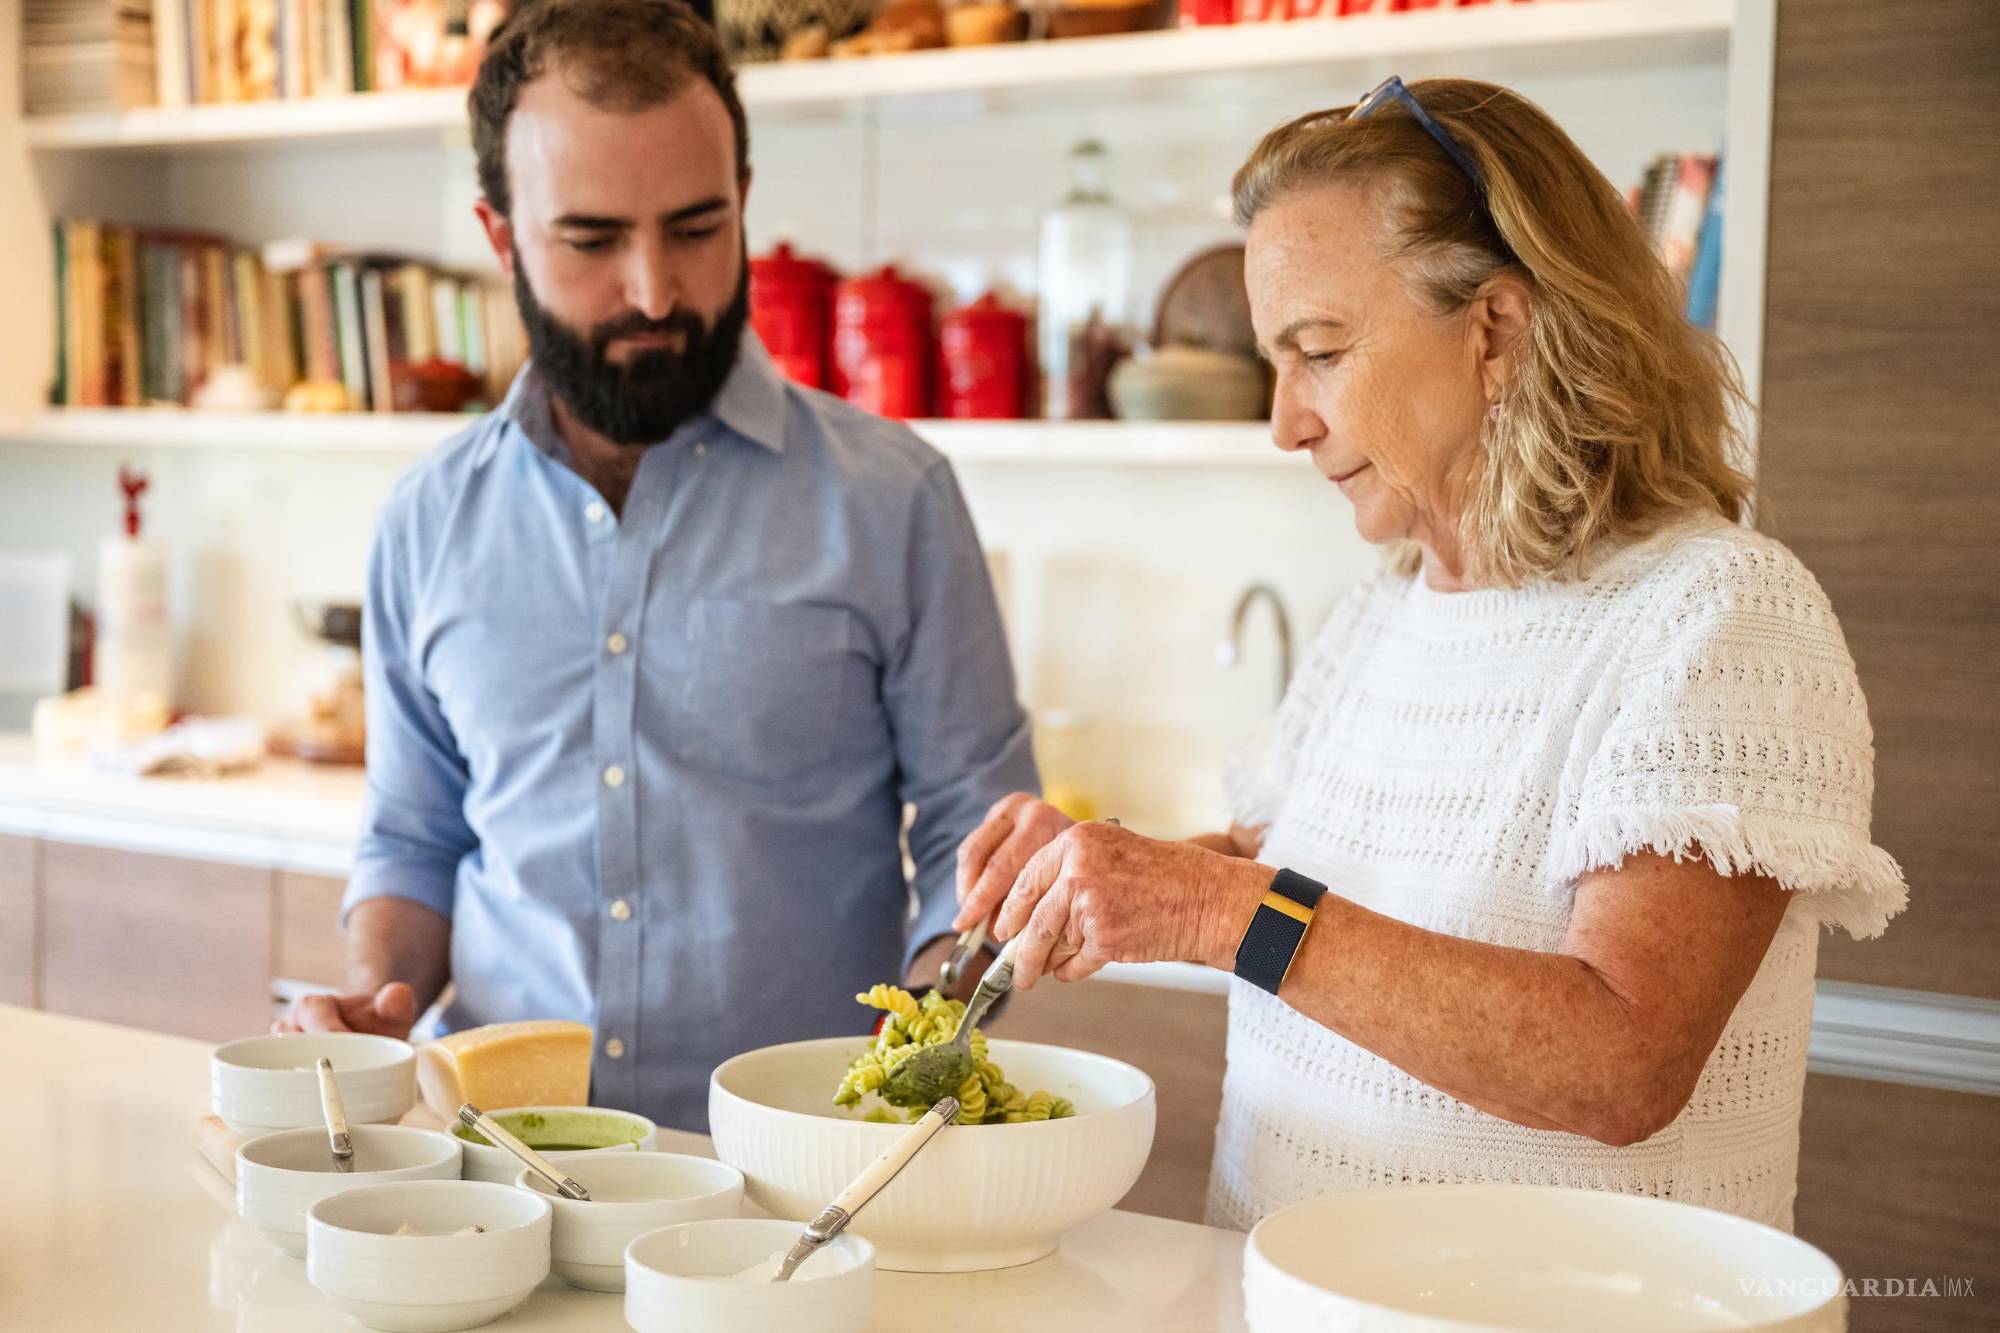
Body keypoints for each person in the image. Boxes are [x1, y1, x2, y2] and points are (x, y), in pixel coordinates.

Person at [953, 77, 1905, 1232]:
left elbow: (1621, 1060)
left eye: (1319, 352)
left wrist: (1215, 906)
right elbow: (1299, 870)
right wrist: (1117, 874)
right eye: (1274, 362)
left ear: (1493, 332)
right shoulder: (1384, 607)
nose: (1285, 422)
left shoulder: (1717, 614)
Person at [277, 0, 1036, 1132]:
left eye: (695, 228)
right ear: (502, 239)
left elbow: (979, 841)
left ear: (742, 202)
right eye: (590, 240)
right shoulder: (428, 517)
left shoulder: (893, 499)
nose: (652, 291)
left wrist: (922, 1037)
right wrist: (379, 991)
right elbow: (415, 833)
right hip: (501, 1165)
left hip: (801, 1172)